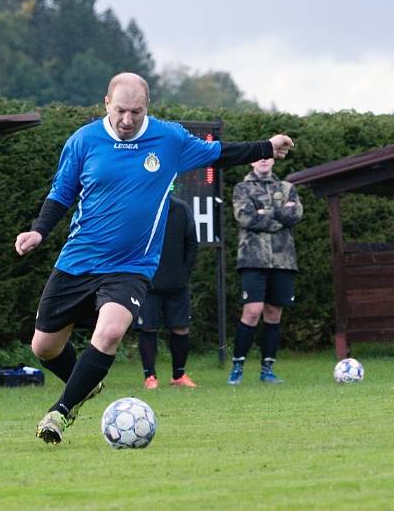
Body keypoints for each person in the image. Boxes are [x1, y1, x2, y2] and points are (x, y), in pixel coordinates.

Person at [15, 72, 294, 445]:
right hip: (78, 261)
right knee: (43, 347)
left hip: (131, 265)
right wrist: (39, 231)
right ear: (105, 104)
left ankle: (60, 413)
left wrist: (266, 146)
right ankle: (87, 383)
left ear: (147, 107)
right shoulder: (83, 141)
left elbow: (219, 154)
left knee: (111, 330)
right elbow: (61, 193)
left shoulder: (169, 138)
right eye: (120, 111)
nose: (127, 120)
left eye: (136, 111)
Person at [227, 156, 302, 385]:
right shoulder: (242, 188)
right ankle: (237, 367)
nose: (264, 161)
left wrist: (265, 213)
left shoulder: (287, 187)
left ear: (273, 162)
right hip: (252, 259)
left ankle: (267, 369)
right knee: (252, 311)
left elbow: (295, 215)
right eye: (259, 158)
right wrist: (279, 214)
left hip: (283, 260)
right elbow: (245, 217)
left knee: (273, 313)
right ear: (251, 162)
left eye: (268, 158)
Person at [135, 194, 198, 389]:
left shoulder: (181, 208)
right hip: (148, 283)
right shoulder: (139, 208)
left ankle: (178, 376)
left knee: (181, 328)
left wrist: (184, 272)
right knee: (148, 328)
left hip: (177, 284)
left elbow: (191, 244)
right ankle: (150, 377)